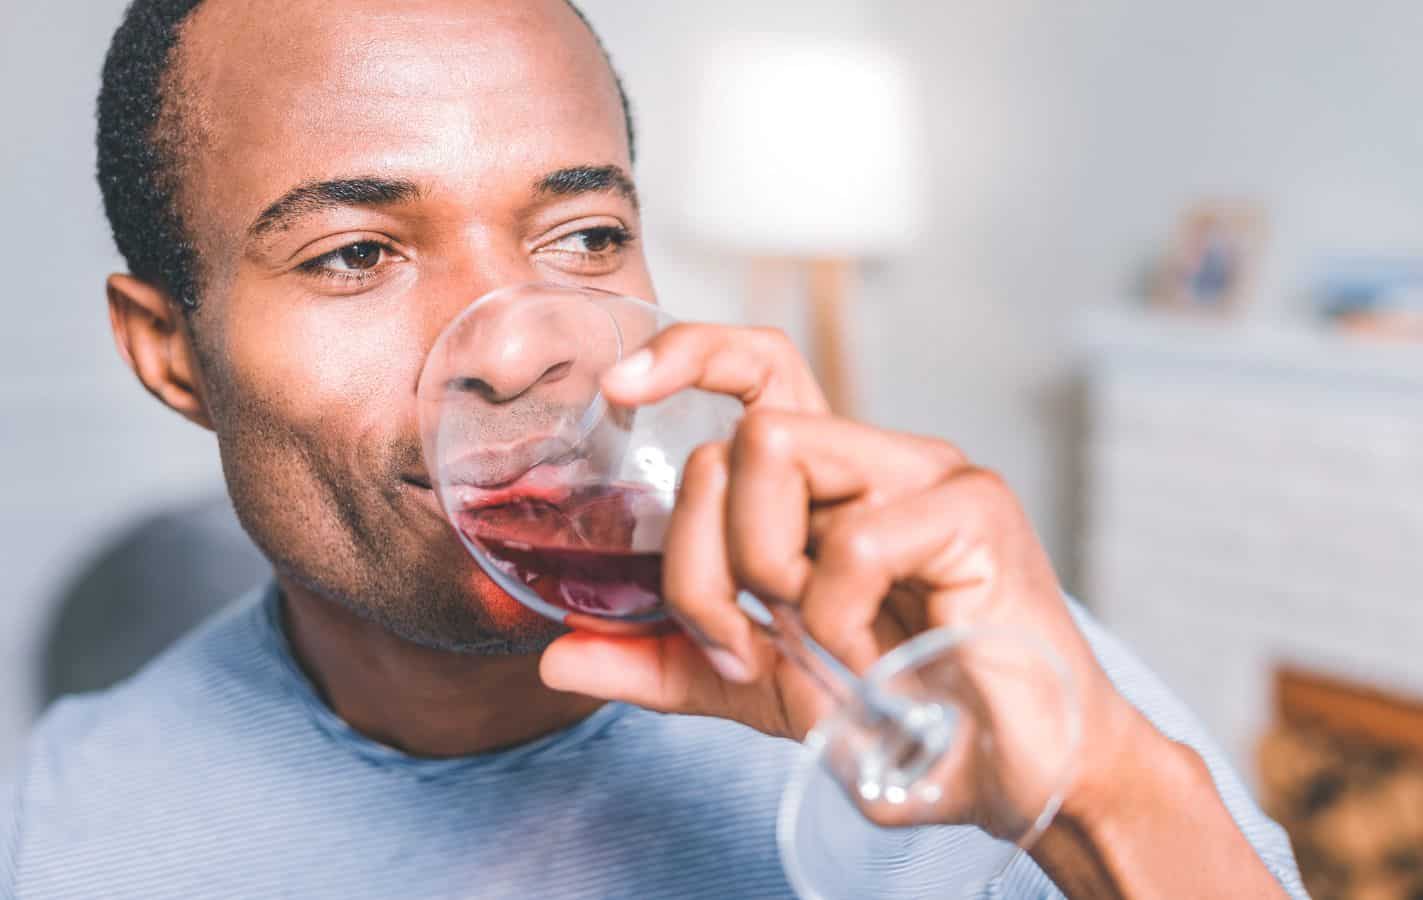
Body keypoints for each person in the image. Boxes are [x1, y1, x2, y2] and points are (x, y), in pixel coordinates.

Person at [1, 1, 1309, 897]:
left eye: (582, 238)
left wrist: (1096, 801)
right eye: (355, 255)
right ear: (171, 353)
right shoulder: (63, 828)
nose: (520, 352)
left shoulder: (958, 678)